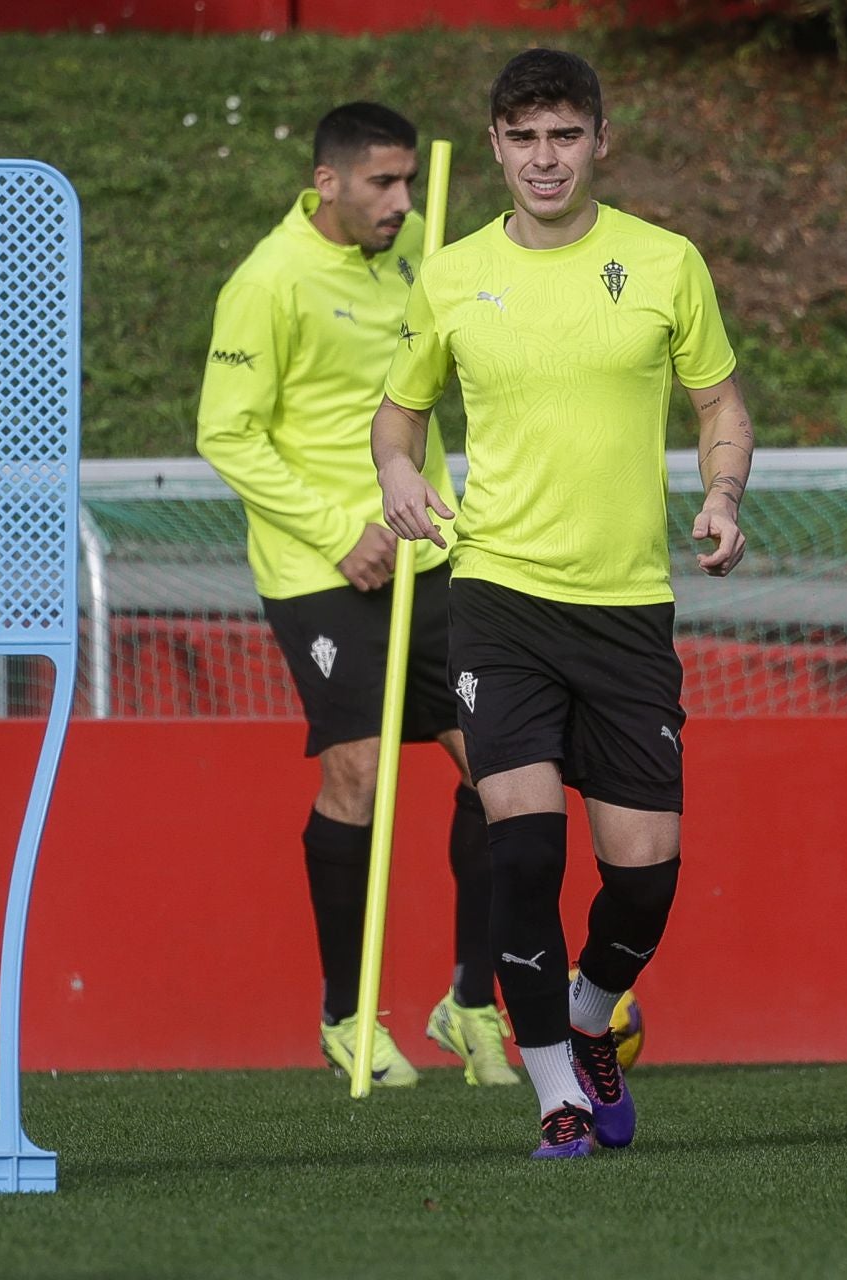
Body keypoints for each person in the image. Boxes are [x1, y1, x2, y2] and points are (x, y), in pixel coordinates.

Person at [374, 48, 754, 1157]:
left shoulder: (666, 262)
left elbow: (721, 401)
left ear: (601, 141)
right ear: (495, 145)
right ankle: (555, 1096)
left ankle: (589, 1017)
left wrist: (723, 490)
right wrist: (399, 471)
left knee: (644, 879)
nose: (545, 158)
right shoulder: (448, 276)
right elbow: (399, 415)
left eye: (565, 136)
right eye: (524, 137)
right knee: (524, 847)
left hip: (630, 605)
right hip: (496, 594)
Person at [197, 101, 517, 1090]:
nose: (403, 201)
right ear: (327, 182)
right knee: (362, 773)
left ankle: (468, 1002)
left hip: (433, 549)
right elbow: (227, 433)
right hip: (320, 567)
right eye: (383, 182)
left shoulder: (422, 247)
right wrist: (340, 532)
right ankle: (345, 1014)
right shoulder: (268, 281)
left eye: (410, 181)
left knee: (503, 775)